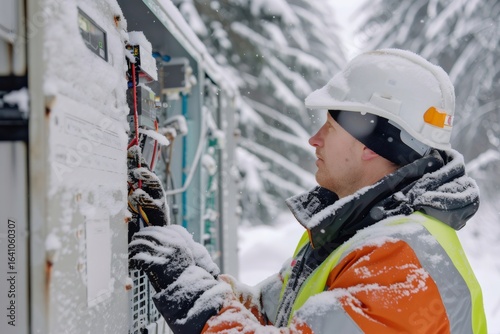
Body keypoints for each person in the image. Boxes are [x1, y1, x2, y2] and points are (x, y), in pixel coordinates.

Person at [127, 49, 487, 333]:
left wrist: (191, 296)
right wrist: (194, 272)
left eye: (329, 128)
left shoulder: (399, 262)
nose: (314, 140)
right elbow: (271, 315)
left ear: (372, 144)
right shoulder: (356, 232)